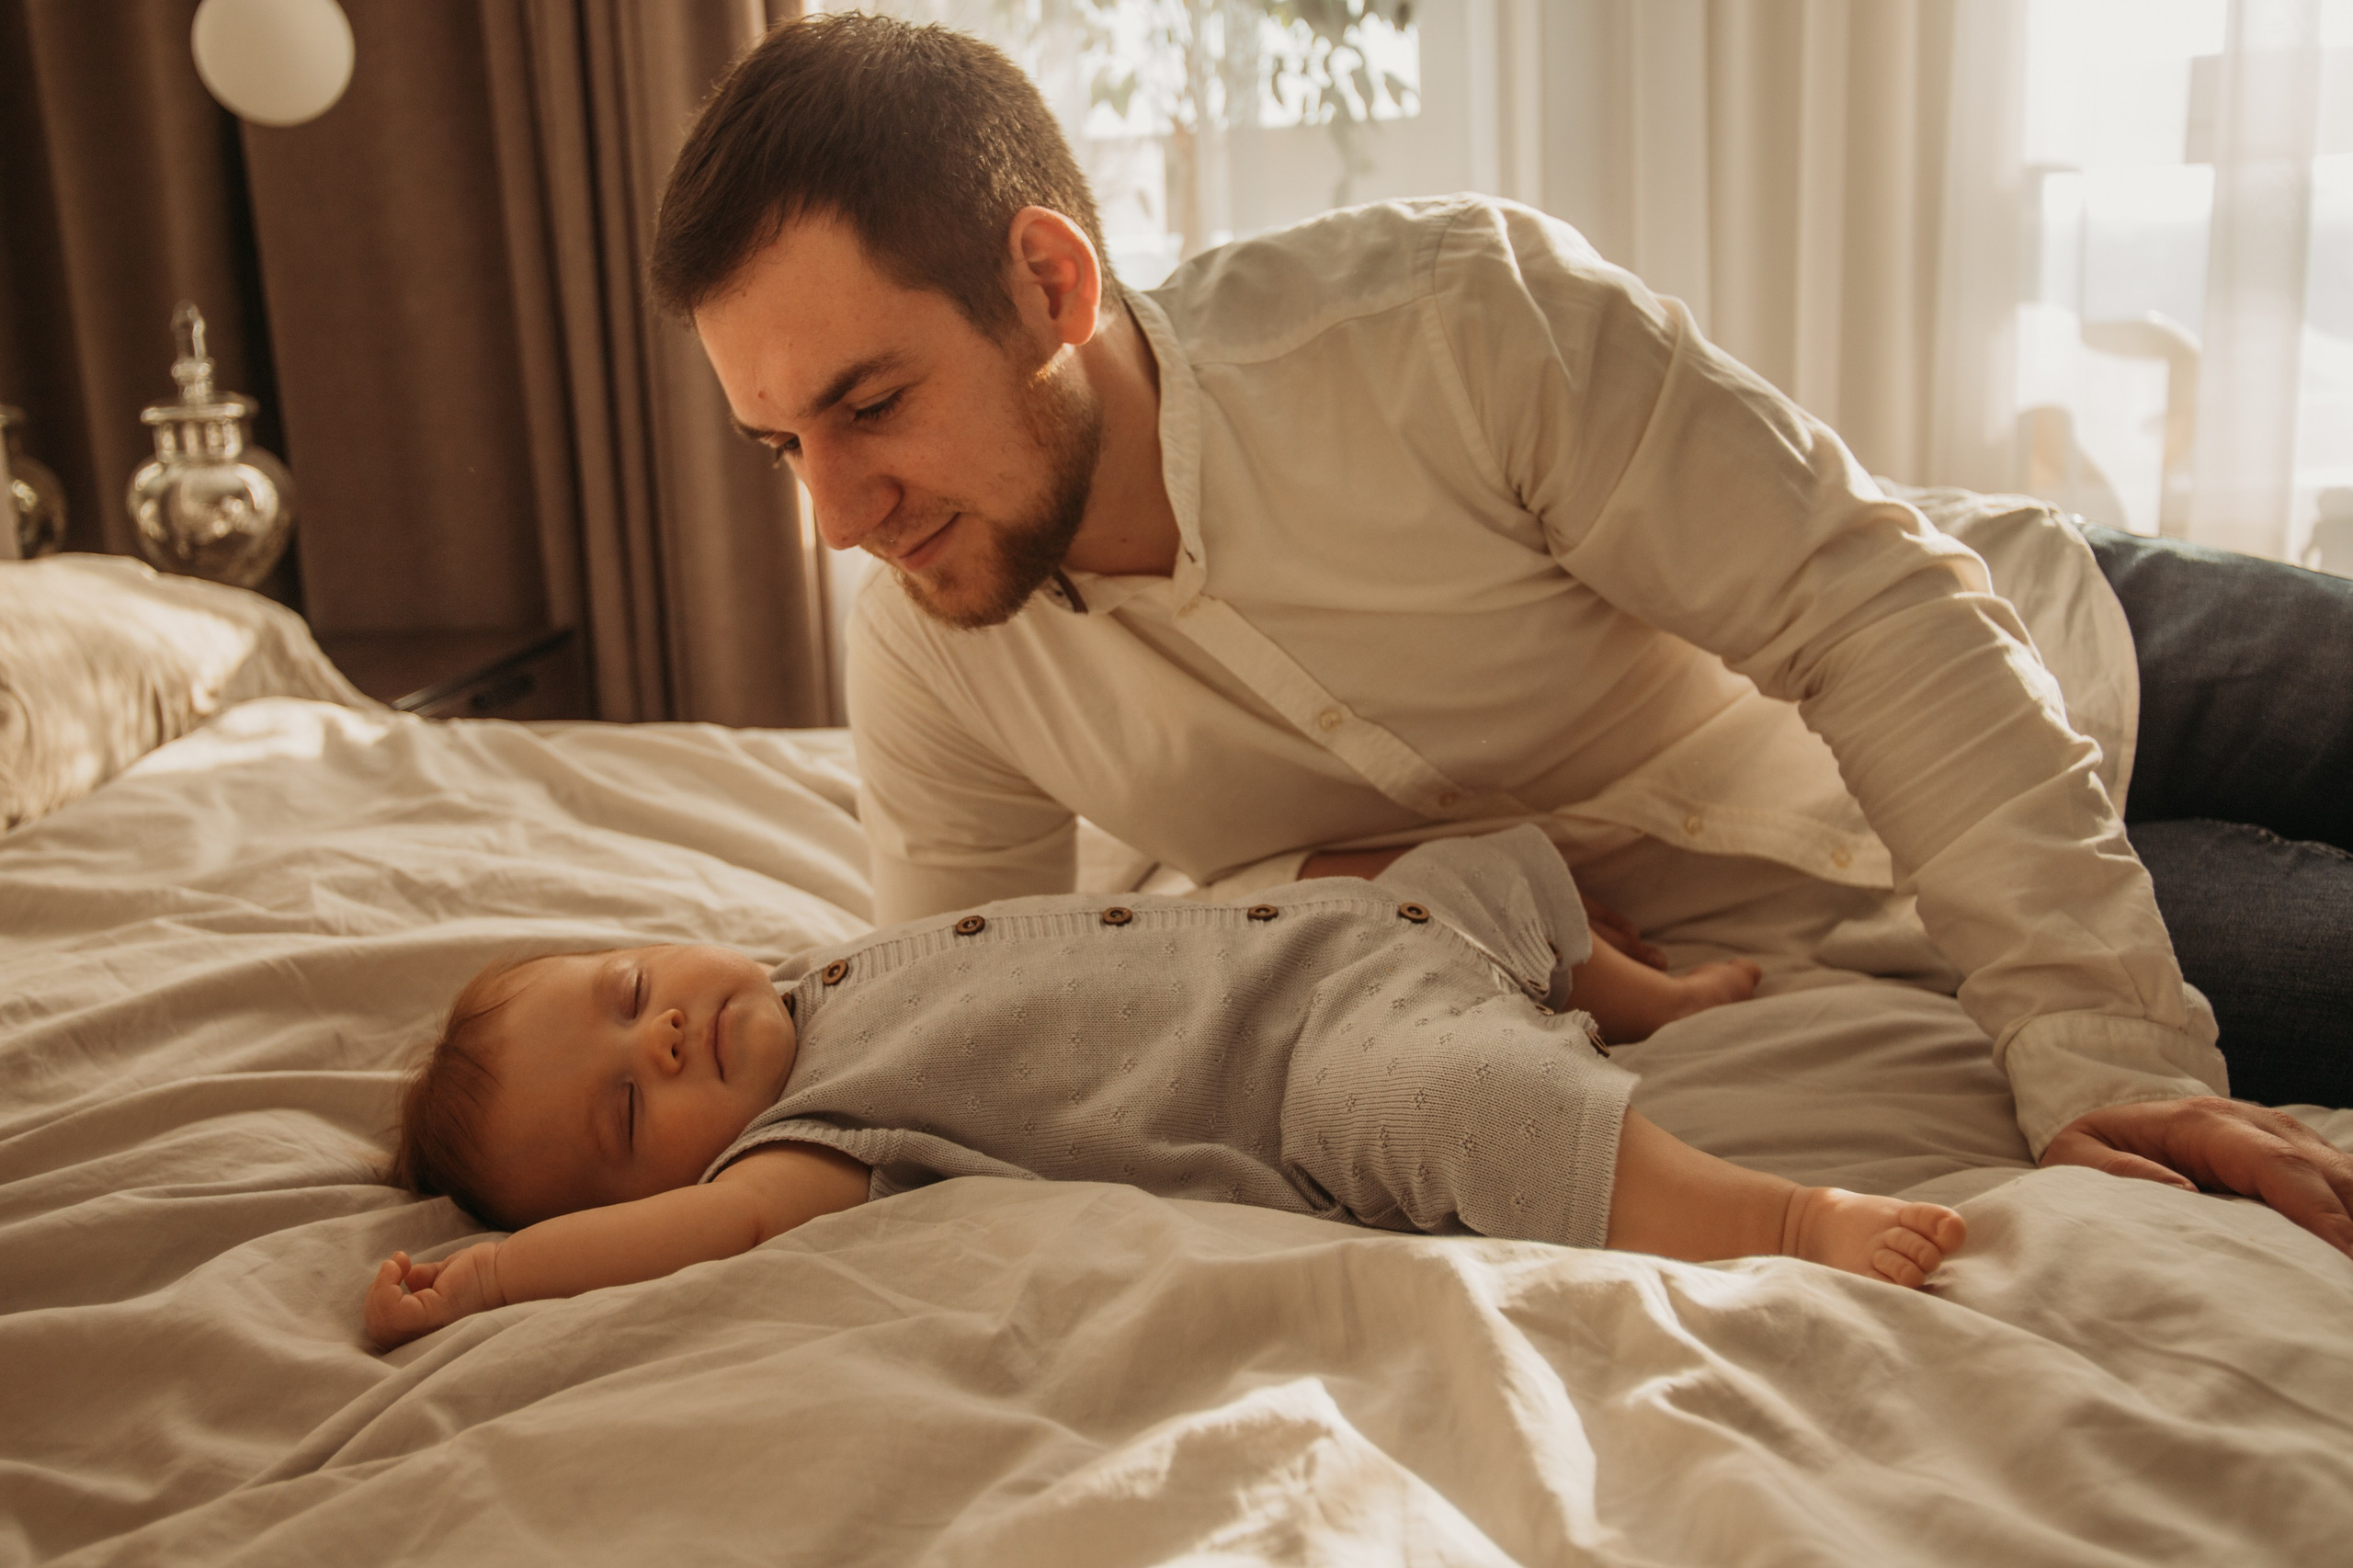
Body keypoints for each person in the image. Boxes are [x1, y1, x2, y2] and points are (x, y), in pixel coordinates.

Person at [646, 16, 2353, 1254]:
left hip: (2064, 637)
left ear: (1049, 284)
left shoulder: (1448, 326)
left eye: (870, 406)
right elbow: (992, 1032)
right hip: (1866, 929)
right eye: (782, 444)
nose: (838, 515)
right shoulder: (939, 665)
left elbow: (1869, 606)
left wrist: (2102, 1043)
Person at [367, 829, 1961, 1352]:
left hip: (1345, 931)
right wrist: (483, 1278)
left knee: (1490, 859)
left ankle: (1648, 995)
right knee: (1475, 1108)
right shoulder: (812, 1143)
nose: (657, 1040)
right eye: (625, 1116)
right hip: (1304, 1070)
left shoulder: (809, 972)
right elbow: (685, 1250)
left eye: (632, 991)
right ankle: (1785, 1212)